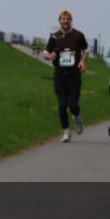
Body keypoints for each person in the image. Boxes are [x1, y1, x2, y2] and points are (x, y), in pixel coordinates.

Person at [43, 10, 89, 142]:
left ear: (71, 20)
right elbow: (47, 50)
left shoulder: (78, 35)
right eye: (63, 19)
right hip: (59, 75)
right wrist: (48, 55)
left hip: (74, 75)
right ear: (59, 20)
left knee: (73, 104)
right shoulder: (54, 36)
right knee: (62, 105)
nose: (66, 21)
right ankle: (66, 131)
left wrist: (82, 62)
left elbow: (86, 50)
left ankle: (77, 117)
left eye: (68, 19)